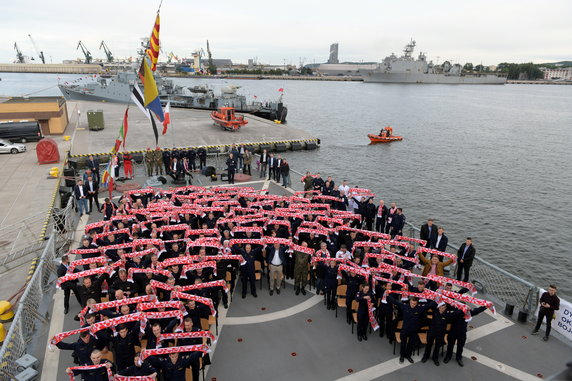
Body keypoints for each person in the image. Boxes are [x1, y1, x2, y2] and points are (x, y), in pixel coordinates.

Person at [388, 295, 433, 364]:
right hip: (405, 330)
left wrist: (438, 298)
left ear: (417, 303)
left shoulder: (419, 309)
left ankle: (408, 356)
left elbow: (429, 305)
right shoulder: (404, 306)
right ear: (410, 301)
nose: (413, 305)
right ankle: (402, 356)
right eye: (412, 303)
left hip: (414, 331)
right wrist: (387, 294)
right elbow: (395, 301)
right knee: (403, 344)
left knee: (411, 344)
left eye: (415, 303)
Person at [421, 301, 448, 365]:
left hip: (440, 333)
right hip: (432, 331)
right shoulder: (435, 311)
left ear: (446, 308)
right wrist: (438, 297)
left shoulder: (448, 314)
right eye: (440, 307)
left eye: (443, 308)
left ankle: (435, 358)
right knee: (429, 345)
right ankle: (425, 356)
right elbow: (430, 305)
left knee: (437, 346)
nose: (442, 309)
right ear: (438, 307)